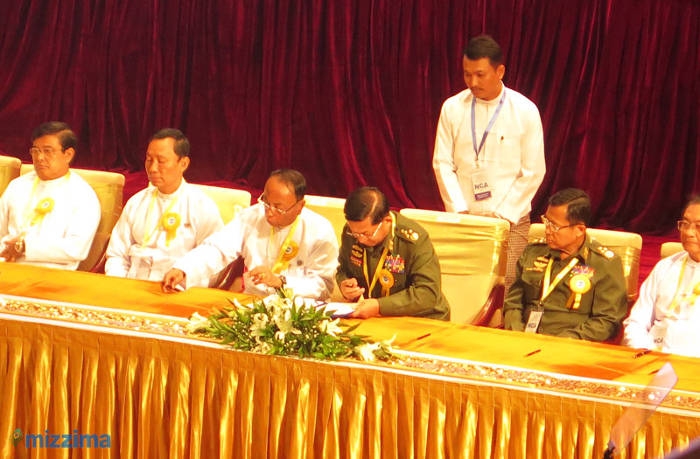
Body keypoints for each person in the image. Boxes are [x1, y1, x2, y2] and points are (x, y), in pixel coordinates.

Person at [432, 34, 545, 293]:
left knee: (507, 290)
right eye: (467, 74)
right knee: (464, 289)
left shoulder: (525, 110)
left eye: (480, 75)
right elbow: (442, 162)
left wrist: (502, 216)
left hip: (510, 220)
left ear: (500, 71)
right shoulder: (452, 107)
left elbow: (533, 171)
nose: (472, 82)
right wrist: (460, 211)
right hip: (464, 218)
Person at [162, 169, 338, 299]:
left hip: (297, 306)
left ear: (300, 206)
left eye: (279, 208)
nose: (269, 212)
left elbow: (324, 285)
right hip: (252, 300)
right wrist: (184, 268)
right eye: (266, 202)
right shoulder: (252, 216)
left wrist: (280, 281)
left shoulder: (320, 231)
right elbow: (217, 248)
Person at [503, 188, 627, 341]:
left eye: (554, 226)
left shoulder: (604, 263)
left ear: (579, 230)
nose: (547, 230)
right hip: (522, 339)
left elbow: (607, 321)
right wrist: (516, 332)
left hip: (570, 345)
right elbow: (513, 302)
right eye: (546, 221)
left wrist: (564, 340)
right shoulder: (533, 252)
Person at [104, 128, 223, 284]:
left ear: (183, 163)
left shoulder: (201, 206)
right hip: (131, 286)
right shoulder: (136, 202)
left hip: (177, 289)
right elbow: (117, 254)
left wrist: (184, 281)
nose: (153, 168)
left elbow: (212, 257)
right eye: (149, 160)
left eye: (161, 161)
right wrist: (119, 284)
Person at [336, 186, 450, 320]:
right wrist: (345, 285)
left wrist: (380, 306)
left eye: (367, 234)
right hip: (379, 317)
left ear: (387, 221)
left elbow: (427, 293)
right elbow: (343, 269)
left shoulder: (412, 240)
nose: (360, 239)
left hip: (423, 318)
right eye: (356, 234)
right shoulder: (352, 232)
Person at [0, 121, 100, 270]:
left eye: (48, 151)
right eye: (35, 151)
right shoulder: (17, 185)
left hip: (52, 273)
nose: (39, 157)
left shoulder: (83, 195)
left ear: (68, 155)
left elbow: (76, 248)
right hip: (6, 265)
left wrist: (25, 247)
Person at [623, 197, 700, 357]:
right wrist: (644, 352)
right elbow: (637, 321)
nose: (688, 232)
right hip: (653, 358)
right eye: (685, 224)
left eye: (698, 226)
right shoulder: (666, 266)